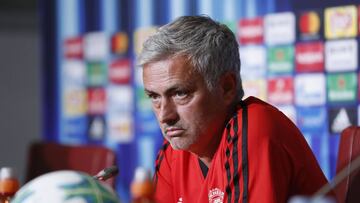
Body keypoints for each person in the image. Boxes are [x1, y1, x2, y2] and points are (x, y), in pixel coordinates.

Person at [138, 15, 331, 203]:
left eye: (180, 93)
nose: (165, 116)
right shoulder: (174, 150)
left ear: (226, 88)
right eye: (154, 96)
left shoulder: (255, 126)